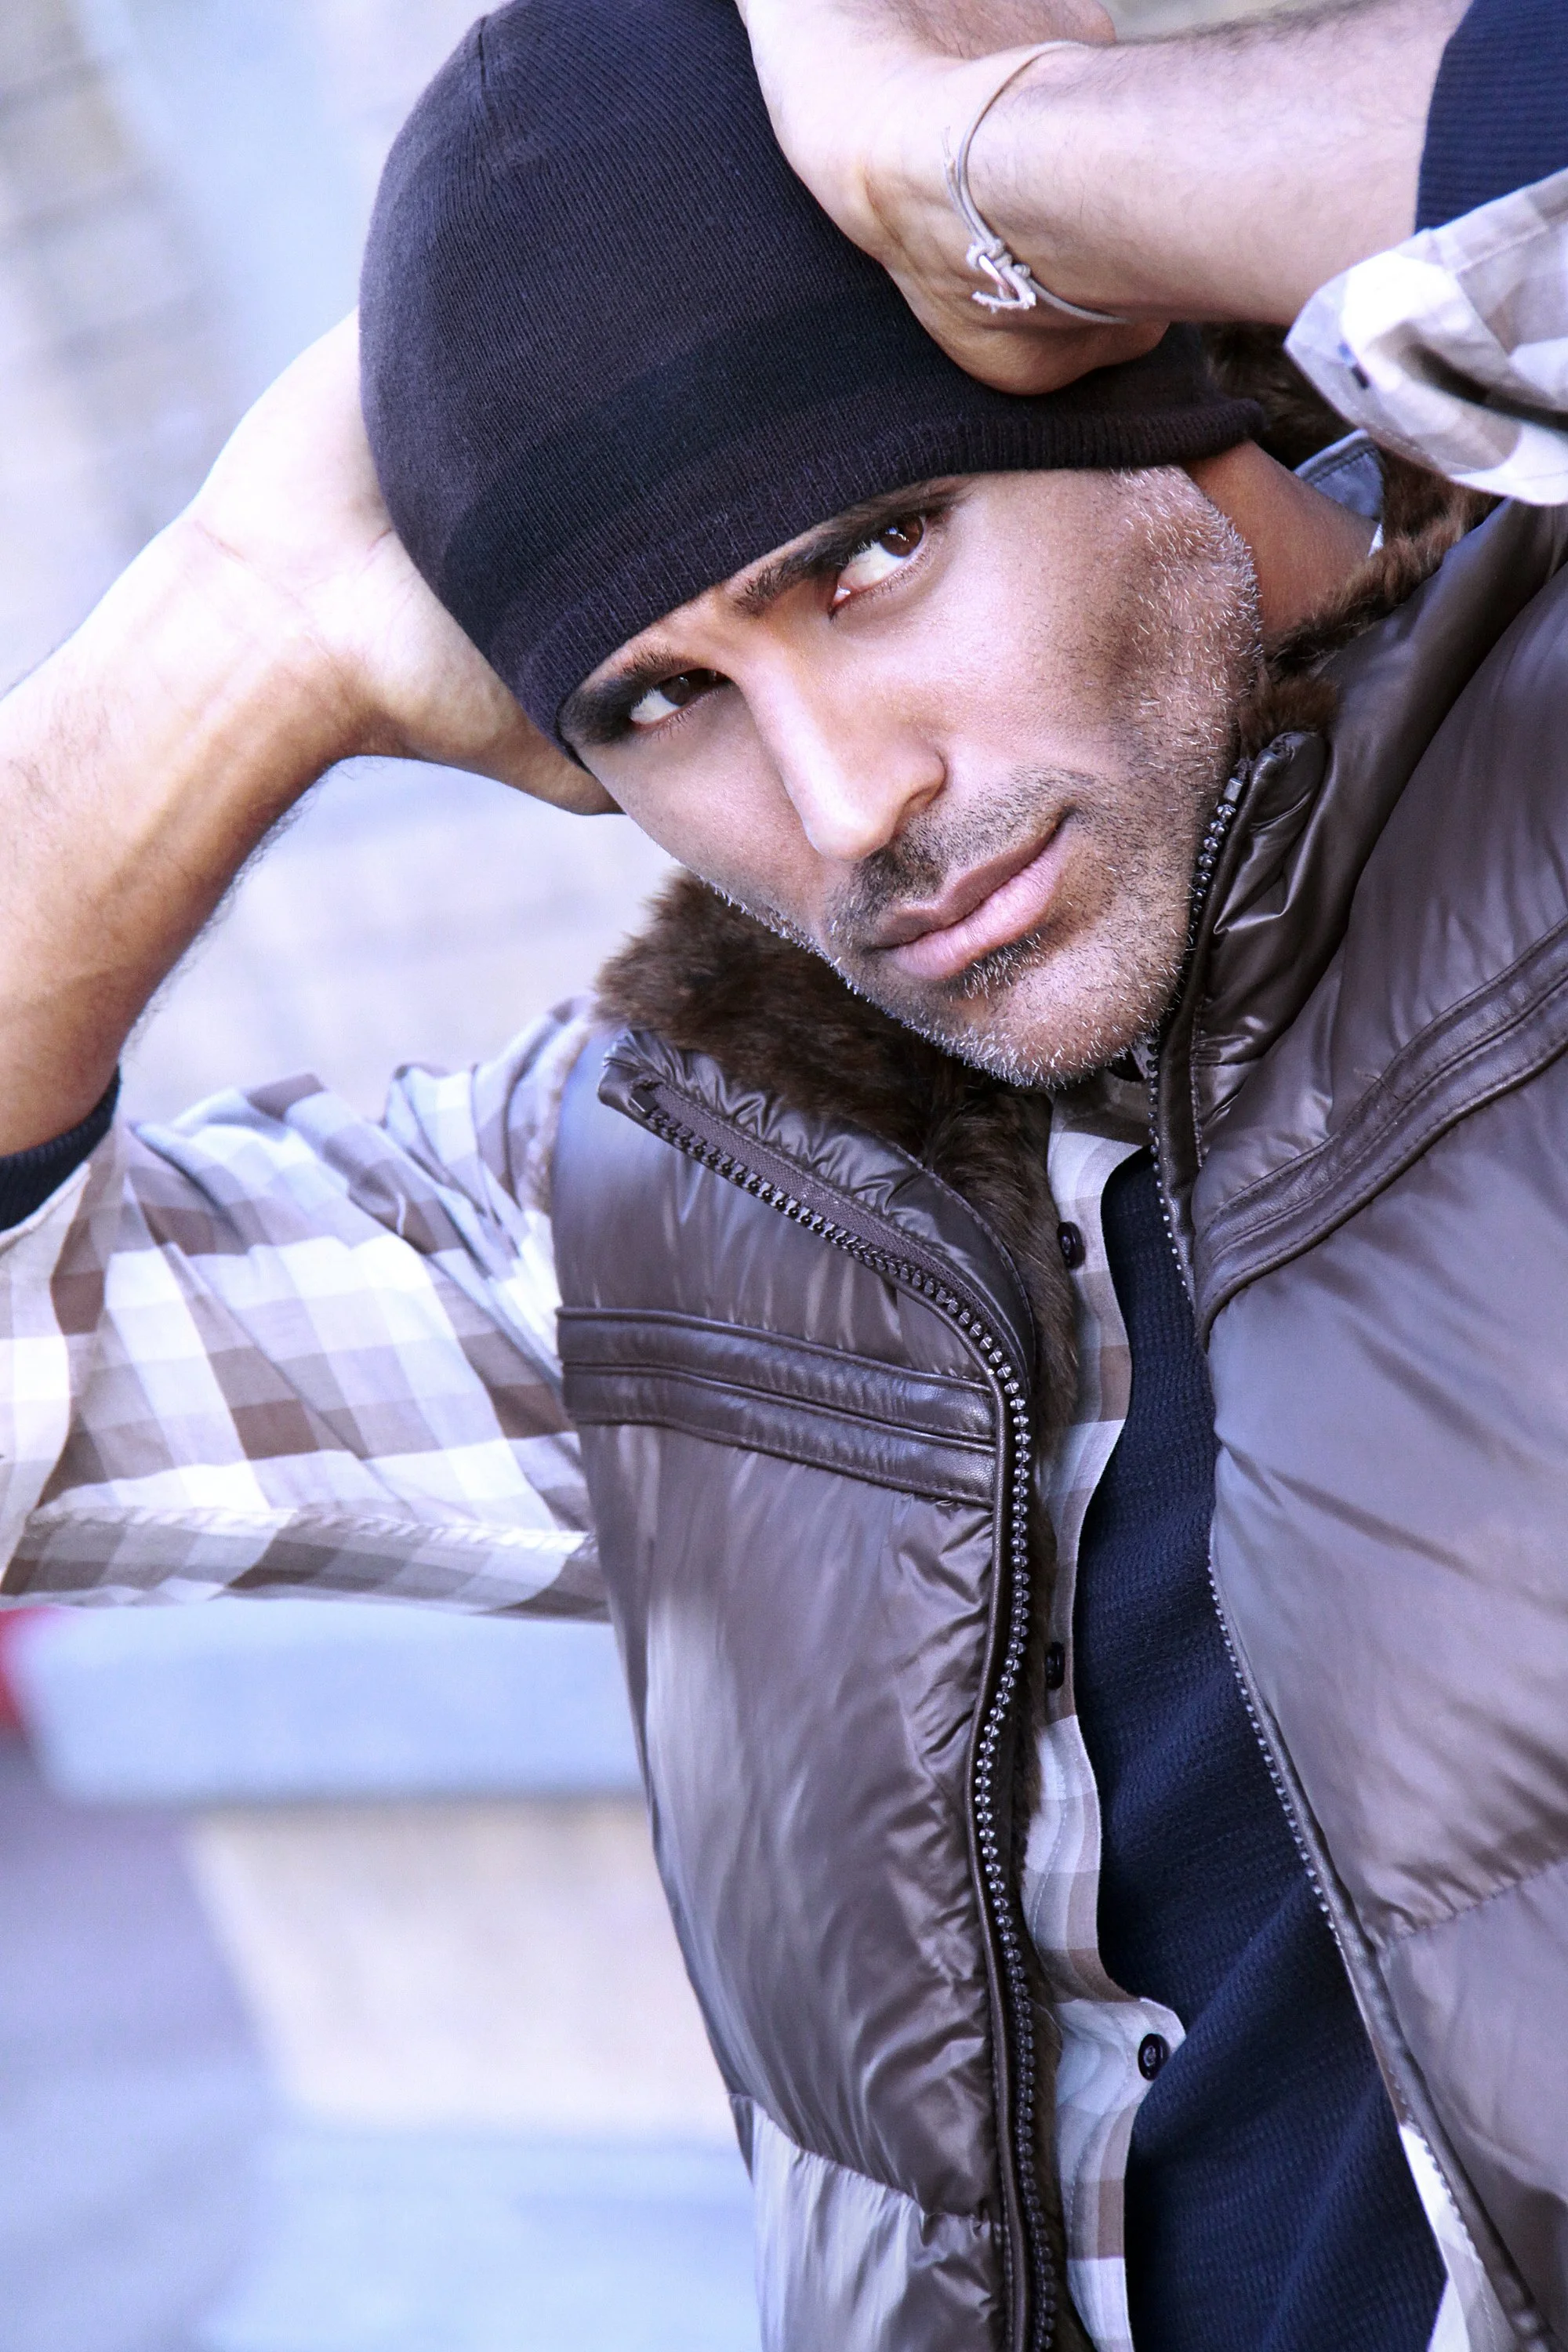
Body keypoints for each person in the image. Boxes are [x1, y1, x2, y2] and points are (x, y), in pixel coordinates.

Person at [1, 0, 1566, 2345]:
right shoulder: (683, 1204)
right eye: (658, 700)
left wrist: (990, 151)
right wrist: (241, 620)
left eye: (876, 552)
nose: (848, 810)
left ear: (1150, 383)